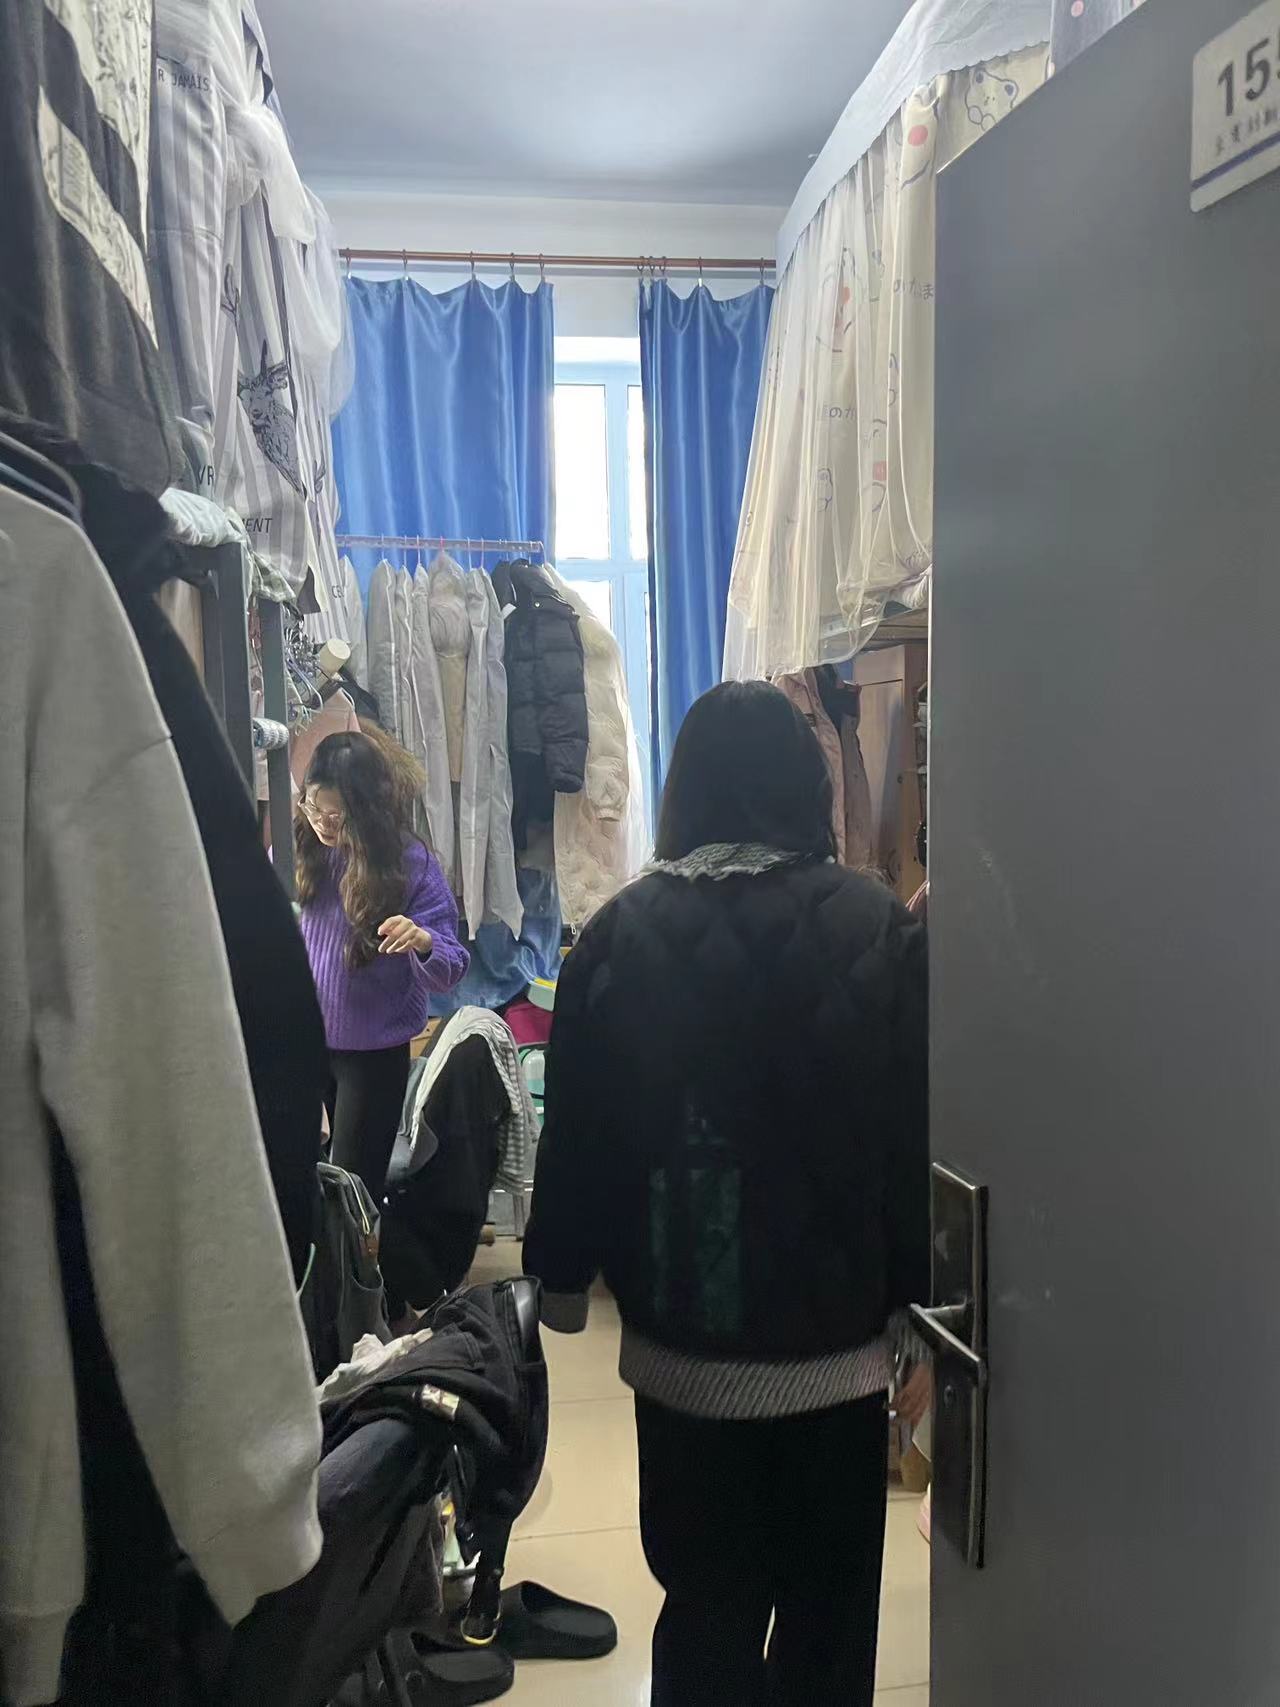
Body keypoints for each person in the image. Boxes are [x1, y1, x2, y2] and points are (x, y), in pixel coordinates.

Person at [522, 680, 930, 1707]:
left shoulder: (613, 939)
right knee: (829, 1625)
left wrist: (560, 1276)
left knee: (703, 1613)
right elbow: (910, 1139)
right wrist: (922, 1312)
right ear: (808, 788)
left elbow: (579, 1132)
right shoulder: (879, 931)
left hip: (684, 1358)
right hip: (835, 1361)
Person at [296, 729, 469, 1201]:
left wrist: (423, 942)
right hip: (305, 1044)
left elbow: (453, 964)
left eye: (336, 814)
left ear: (366, 810)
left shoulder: (410, 863)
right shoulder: (300, 849)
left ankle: (364, 1255)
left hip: (371, 1055)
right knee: (298, 1183)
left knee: (354, 1195)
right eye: (313, 807)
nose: (322, 823)